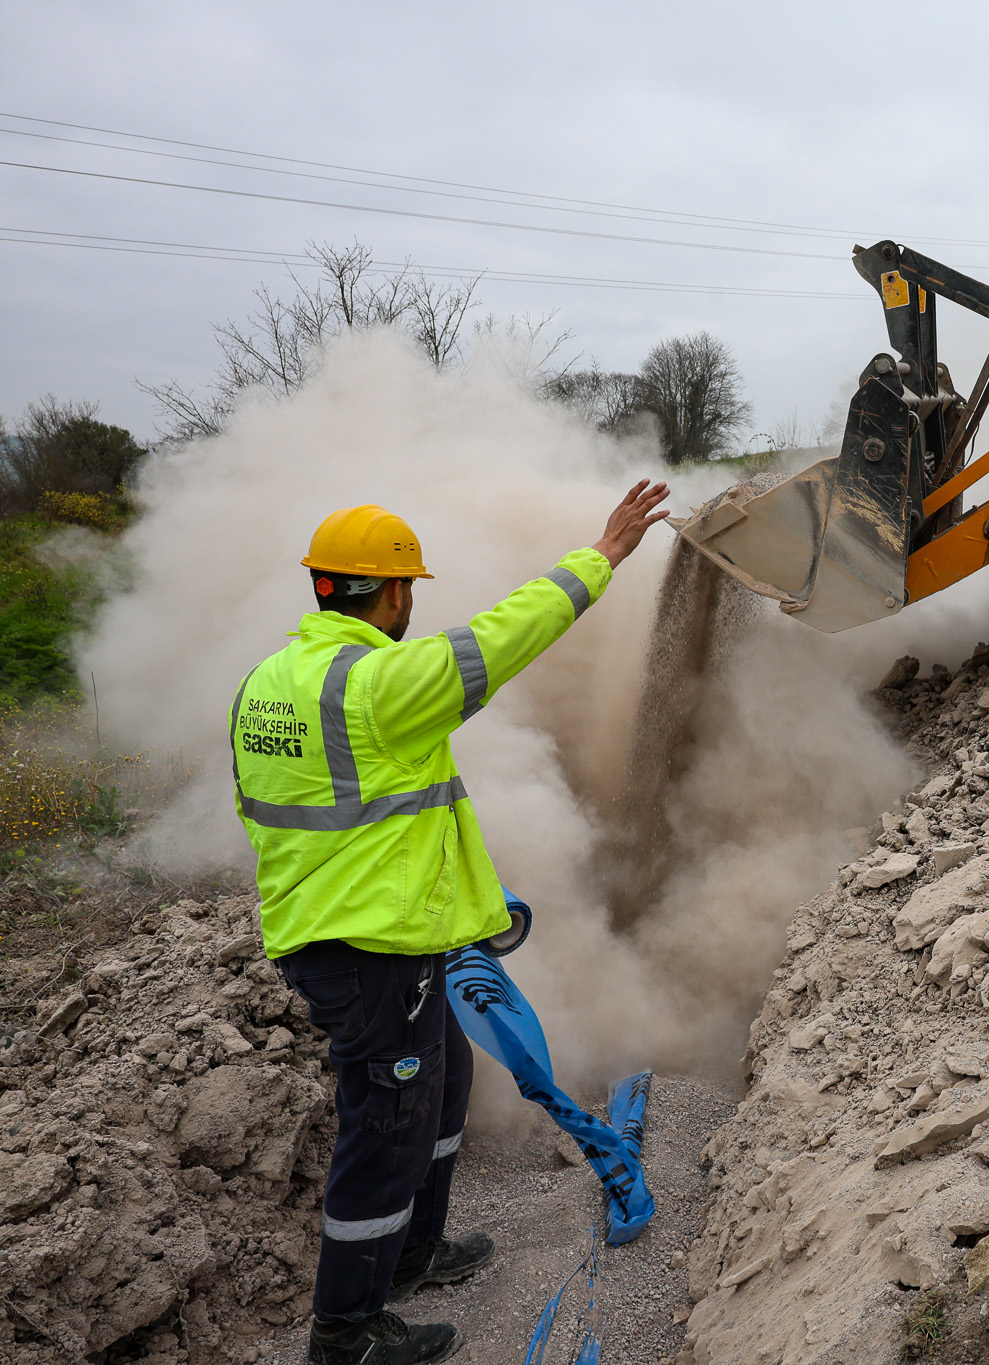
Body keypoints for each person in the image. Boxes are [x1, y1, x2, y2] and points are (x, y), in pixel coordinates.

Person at [231, 481, 670, 1365]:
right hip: (368, 950)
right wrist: (604, 556)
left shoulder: (269, 680)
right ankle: (346, 1330)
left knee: (443, 1078)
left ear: (323, 584)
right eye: (410, 589)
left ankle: (415, 1251)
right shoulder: (382, 684)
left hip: (358, 933)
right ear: (392, 592)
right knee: (386, 1126)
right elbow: (506, 635)